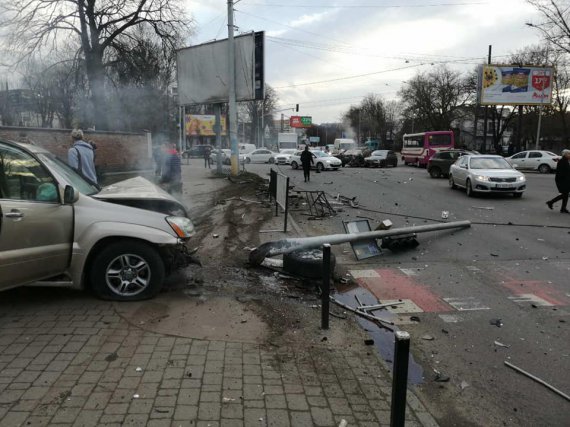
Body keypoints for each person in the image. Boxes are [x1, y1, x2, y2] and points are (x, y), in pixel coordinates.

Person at [547, 149, 570, 213]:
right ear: (565, 154)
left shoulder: (566, 161)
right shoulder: (562, 161)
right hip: (562, 181)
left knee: (565, 194)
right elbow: (561, 173)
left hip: (566, 181)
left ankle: (563, 208)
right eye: (569, 154)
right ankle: (550, 202)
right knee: (565, 194)